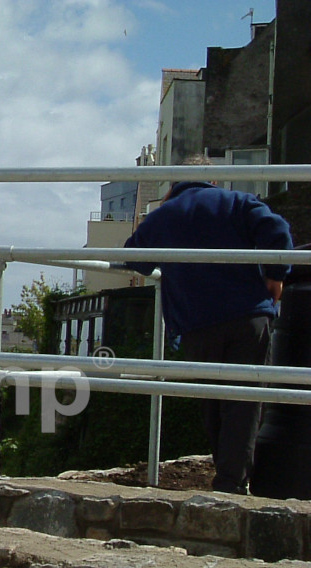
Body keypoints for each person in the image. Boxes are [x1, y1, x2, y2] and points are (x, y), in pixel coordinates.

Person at [124, 157, 293, 494]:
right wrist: (277, 277)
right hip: (248, 319)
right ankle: (231, 483)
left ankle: (227, 476)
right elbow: (278, 231)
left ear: (174, 185)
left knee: (212, 403)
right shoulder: (238, 202)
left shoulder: (165, 216)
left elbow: (135, 257)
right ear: (213, 180)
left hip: (197, 325)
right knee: (243, 403)